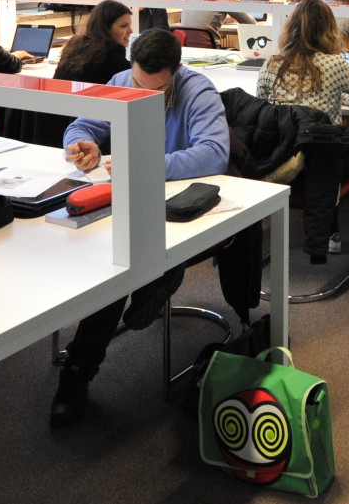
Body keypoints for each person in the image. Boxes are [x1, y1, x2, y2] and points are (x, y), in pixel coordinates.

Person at [52, 30, 232, 427]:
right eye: (138, 85)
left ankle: (78, 371)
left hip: (181, 205)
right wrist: (82, 146)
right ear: (131, 67)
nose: (145, 95)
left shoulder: (197, 91)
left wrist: (146, 163)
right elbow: (80, 126)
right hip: (132, 198)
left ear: (176, 71)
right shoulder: (121, 80)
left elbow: (215, 153)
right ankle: (157, 279)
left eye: (157, 90)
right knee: (104, 253)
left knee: (121, 265)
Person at [256, 0, 349, 122]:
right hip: (321, 134)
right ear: (330, 29)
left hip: (282, 134)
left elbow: (260, 108)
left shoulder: (271, 64)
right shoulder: (335, 64)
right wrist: (339, 95)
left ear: (290, 27)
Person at [35, 0, 133, 147]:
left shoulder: (74, 47)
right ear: (105, 28)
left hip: (56, 128)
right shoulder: (113, 59)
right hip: (88, 132)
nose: (130, 31)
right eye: (124, 26)